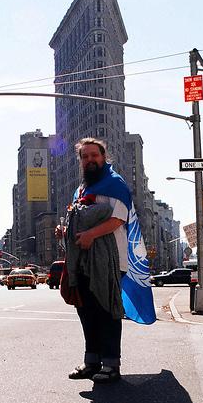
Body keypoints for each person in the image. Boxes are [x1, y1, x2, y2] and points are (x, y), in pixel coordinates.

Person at [56, 138, 152, 383]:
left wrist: (91, 234)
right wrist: (65, 231)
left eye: (94, 155)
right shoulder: (81, 189)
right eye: (85, 156)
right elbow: (78, 219)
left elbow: (118, 219)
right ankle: (91, 362)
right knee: (86, 312)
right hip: (82, 261)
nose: (90, 160)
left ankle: (111, 364)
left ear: (103, 157)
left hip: (110, 260)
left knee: (106, 312)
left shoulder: (114, 183)